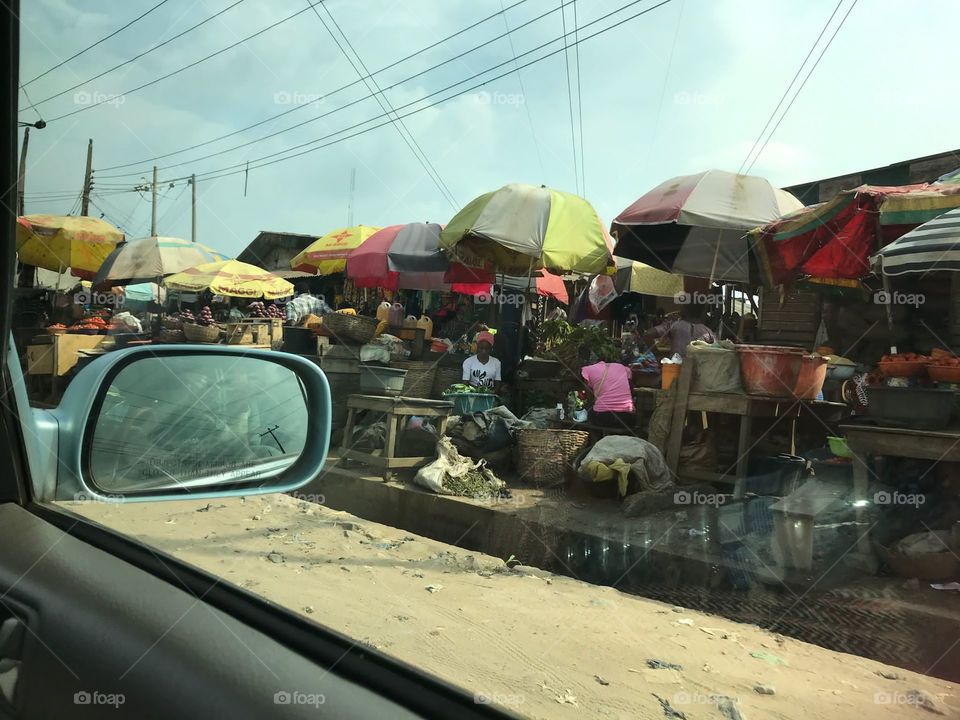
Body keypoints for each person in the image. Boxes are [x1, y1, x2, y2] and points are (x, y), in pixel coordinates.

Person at [580, 358, 635, 428]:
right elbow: (630, 388)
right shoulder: (623, 368)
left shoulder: (587, 370)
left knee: (589, 414)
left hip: (603, 417)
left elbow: (589, 396)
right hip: (627, 418)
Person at [643, 304, 715, 357]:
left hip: (675, 369)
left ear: (684, 311)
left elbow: (647, 334)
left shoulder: (674, 325)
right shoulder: (707, 331)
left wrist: (657, 355)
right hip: (698, 372)